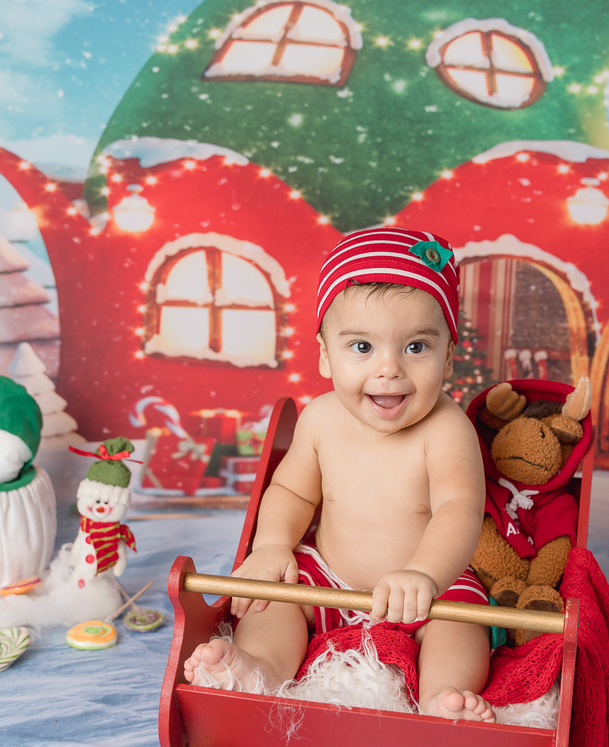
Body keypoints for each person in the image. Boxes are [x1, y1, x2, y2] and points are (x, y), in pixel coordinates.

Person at [184, 226, 495, 721]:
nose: (389, 369)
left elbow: (459, 509)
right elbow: (290, 490)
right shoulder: (321, 418)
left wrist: (425, 573)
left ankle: (444, 696)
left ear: (449, 357)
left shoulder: (447, 428)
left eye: (417, 347)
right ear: (326, 355)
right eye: (362, 347)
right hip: (328, 579)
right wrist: (271, 546)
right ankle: (261, 669)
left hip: (425, 593)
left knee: (462, 624)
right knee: (273, 602)